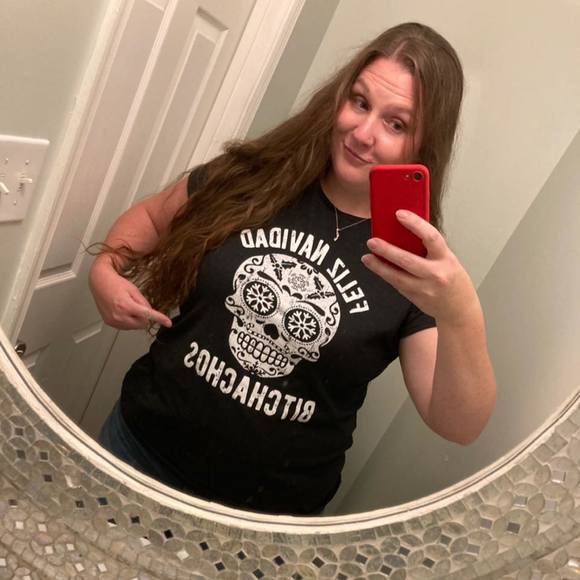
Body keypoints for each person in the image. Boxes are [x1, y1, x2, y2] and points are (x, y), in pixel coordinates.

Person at [89, 22, 496, 515]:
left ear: (423, 143)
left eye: (396, 124)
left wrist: (461, 312)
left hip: (264, 519)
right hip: (136, 452)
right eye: (360, 102)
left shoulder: (413, 261)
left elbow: (458, 423)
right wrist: (106, 271)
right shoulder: (251, 178)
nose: (363, 134)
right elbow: (153, 218)